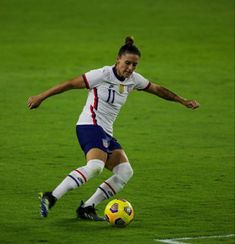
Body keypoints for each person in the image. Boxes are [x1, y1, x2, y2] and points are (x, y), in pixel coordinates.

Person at [28, 36, 199, 220]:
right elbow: (70, 84)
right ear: (117, 59)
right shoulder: (102, 75)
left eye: (134, 65)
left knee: (125, 172)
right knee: (95, 167)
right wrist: (41, 97)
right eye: (127, 63)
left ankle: (87, 207)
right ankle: (51, 196)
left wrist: (183, 101)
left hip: (106, 132)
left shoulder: (133, 80)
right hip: (90, 124)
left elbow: (158, 89)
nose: (130, 68)